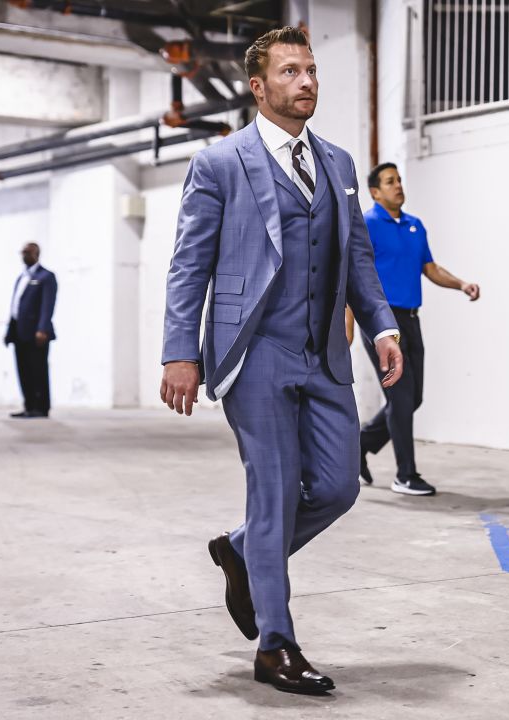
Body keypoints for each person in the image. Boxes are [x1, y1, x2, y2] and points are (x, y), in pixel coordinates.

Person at [158, 27, 403, 695]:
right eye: (291, 71)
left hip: (321, 354)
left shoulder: (340, 164)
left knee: (337, 486)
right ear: (259, 87)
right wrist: (182, 352)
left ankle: (241, 552)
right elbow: (189, 266)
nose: (308, 81)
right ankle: (276, 644)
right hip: (254, 350)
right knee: (270, 496)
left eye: (312, 70)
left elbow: (356, 260)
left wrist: (383, 328)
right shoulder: (220, 164)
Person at [357, 162, 480, 496]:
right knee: (399, 397)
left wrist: (461, 284)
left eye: (399, 180)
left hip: (411, 317)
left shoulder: (415, 226)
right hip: (381, 323)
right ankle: (405, 475)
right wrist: (349, 322)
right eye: (389, 181)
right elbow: (352, 273)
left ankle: (358, 446)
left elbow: (430, 268)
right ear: (374, 192)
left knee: (413, 398)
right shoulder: (366, 225)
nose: (398, 185)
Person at [4, 242, 57, 418]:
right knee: (23, 371)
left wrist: (42, 328)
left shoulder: (46, 276)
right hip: (19, 333)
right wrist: (9, 331)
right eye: (22, 252)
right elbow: (15, 307)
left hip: (36, 334)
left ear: (36, 253)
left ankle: (41, 407)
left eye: (27, 252)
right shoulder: (22, 277)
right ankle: (29, 405)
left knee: (38, 370)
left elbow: (47, 306)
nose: (23, 255)